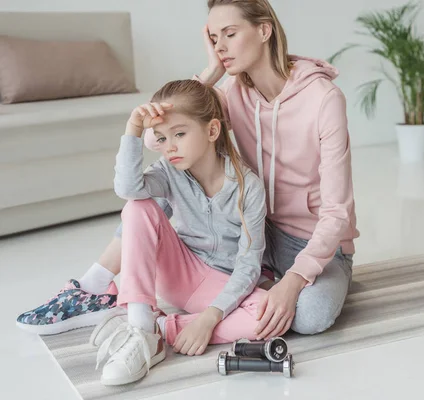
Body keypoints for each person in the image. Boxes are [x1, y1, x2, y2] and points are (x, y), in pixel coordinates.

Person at [16, 0, 359, 341]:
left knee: (310, 316)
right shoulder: (232, 91)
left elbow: (336, 213)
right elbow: (156, 137)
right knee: (167, 180)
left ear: (264, 30)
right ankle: (92, 287)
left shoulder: (323, 98)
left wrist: (294, 280)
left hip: (308, 239)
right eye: (213, 38)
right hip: (255, 233)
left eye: (230, 34)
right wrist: (213, 71)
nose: (220, 47)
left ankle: (163, 326)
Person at [97, 79, 268, 385]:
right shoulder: (167, 171)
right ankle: (139, 325)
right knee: (138, 206)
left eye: (179, 134)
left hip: (218, 285)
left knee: (268, 316)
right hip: (177, 273)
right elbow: (128, 188)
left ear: (212, 131)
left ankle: (159, 331)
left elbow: (249, 264)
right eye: (161, 138)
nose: (170, 146)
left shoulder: (248, 187)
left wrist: (208, 319)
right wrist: (133, 128)